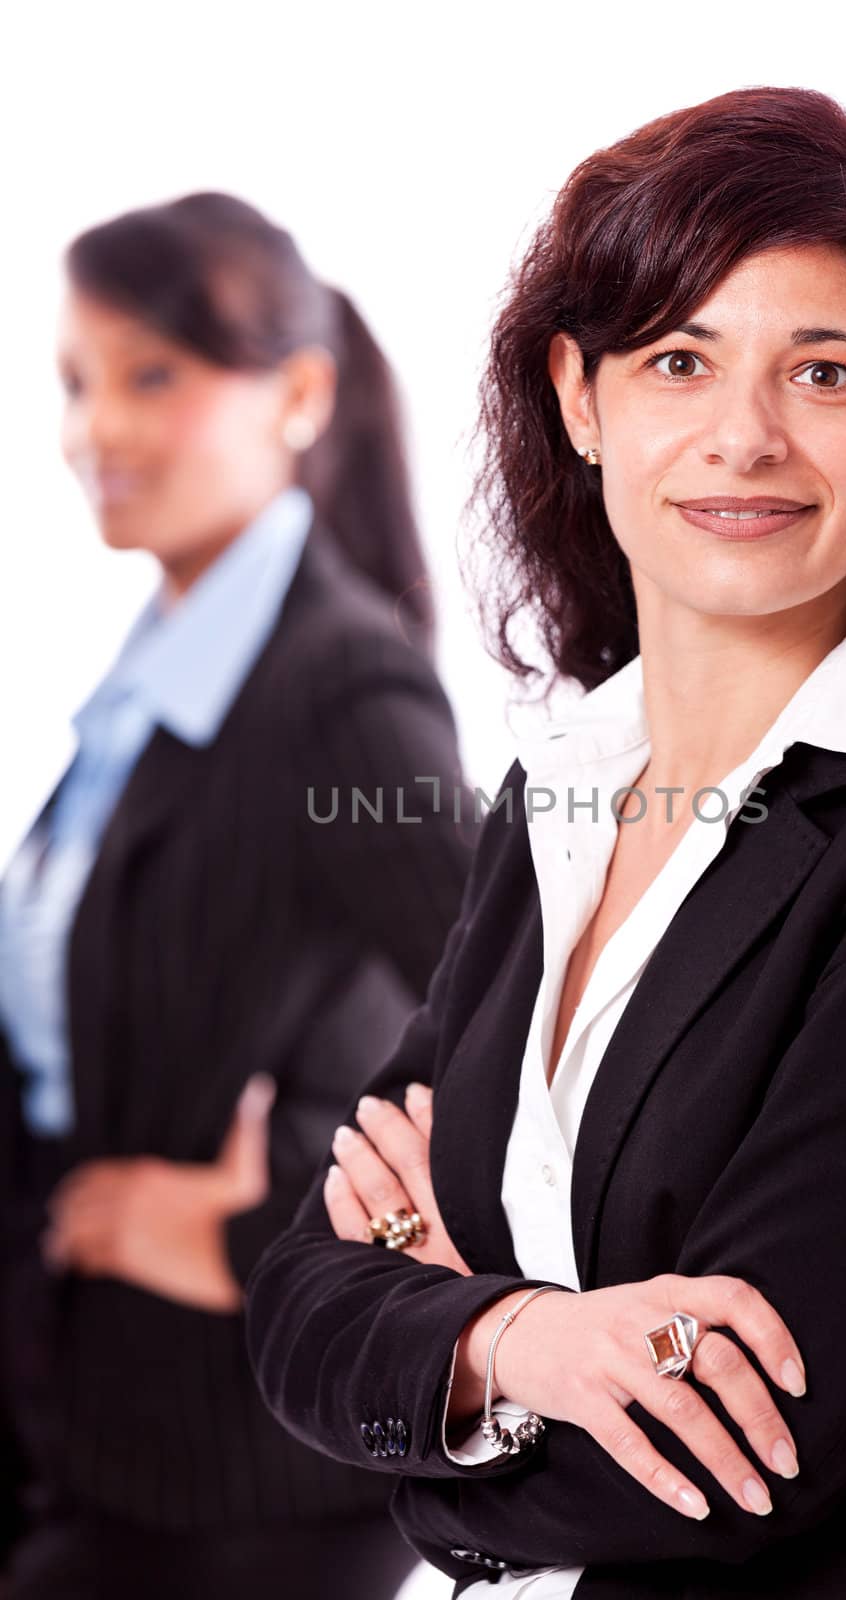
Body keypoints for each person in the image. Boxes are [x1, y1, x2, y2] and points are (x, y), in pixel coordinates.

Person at [244, 87, 846, 1600]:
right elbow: (295, 1301)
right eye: (679, 361)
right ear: (581, 397)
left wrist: (432, 1369)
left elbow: (732, 1459)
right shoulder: (560, 790)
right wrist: (524, 1340)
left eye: (825, 372)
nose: (742, 438)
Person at [0, 191, 475, 1597]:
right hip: (87, 1426)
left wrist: (255, 1225)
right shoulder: (158, 684)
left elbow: (519, 1019)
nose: (99, 433)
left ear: (300, 393)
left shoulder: (338, 686)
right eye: (79, 384)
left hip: (238, 1472)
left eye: (155, 375)